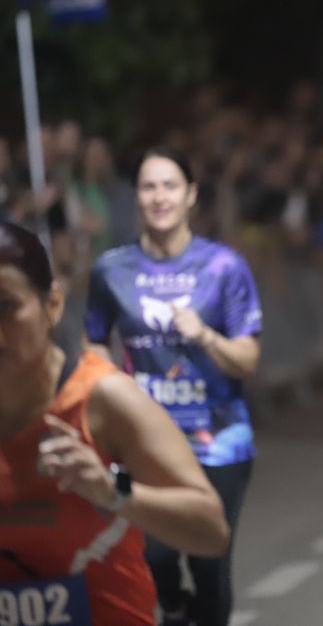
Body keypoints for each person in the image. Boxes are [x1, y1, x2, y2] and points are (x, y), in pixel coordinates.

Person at [0, 220, 229, 626]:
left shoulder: (103, 399)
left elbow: (210, 529)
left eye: (5, 307)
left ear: (52, 303)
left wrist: (113, 490)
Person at [84, 147, 263, 626]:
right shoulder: (111, 269)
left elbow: (247, 358)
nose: (159, 196)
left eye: (169, 186)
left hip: (218, 440)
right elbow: (93, 340)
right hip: (145, 443)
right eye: (148, 187)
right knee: (155, 555)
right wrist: (113, 386)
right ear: (137, 197)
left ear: (190, 195)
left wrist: (204, 335)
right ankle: (171, 605)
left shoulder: (224, 267)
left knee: (209, 564)